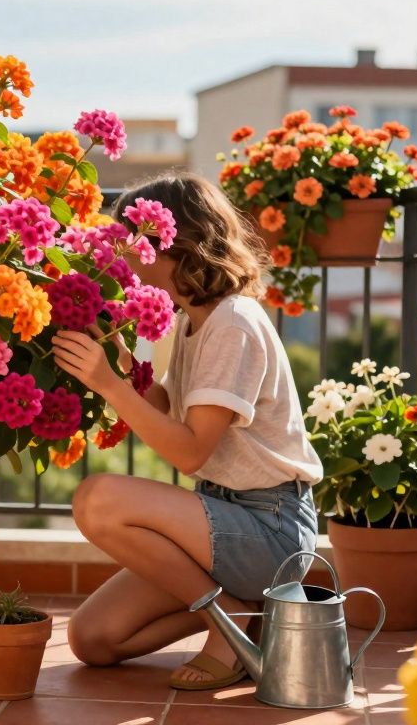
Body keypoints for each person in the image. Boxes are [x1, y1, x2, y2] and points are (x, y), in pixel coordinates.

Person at [52, 172, 322, 690]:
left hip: (270, 527)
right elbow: (169, 407)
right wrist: (120, 361)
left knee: (97, 499)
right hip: (221, 525)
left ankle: (227, 624)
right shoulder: (194, 321)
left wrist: (109, 385)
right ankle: (243, 615)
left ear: (176, 245)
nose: (122, 260)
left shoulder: (233, 324)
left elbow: (191, 451)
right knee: (94, 639)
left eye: (132, 245)